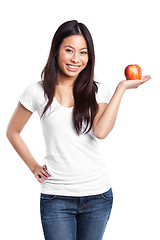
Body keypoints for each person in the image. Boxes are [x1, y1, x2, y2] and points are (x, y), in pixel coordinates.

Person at [6, 20, 151, 240]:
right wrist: (34, 166)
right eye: (69, 50)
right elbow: (13, 131)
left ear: (89, 56)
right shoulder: (36, 91)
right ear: (56, 51)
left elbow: (101, 132)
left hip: (98, 195)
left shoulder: (98, 90)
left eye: (83, 52)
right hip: (56, 197)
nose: (76, 59)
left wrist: (121, 89)